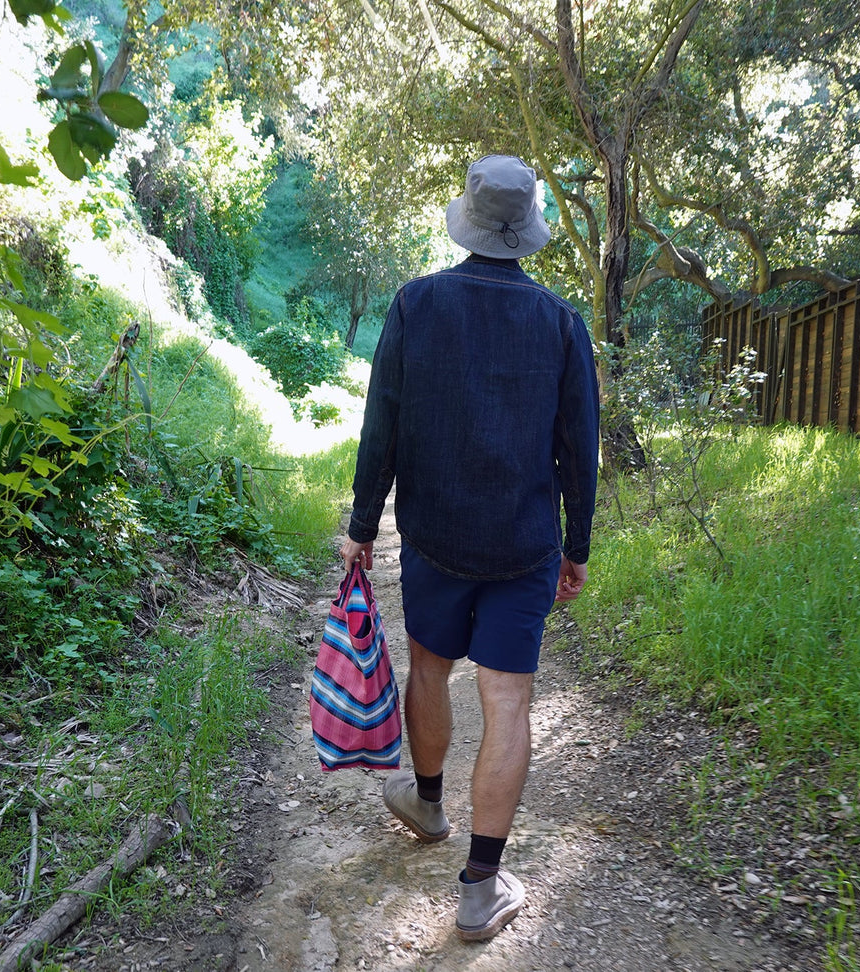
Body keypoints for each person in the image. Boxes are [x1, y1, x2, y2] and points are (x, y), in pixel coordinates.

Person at [338, 154, 600, 942]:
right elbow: (576, 447)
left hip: (434, 535)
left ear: (469, 220)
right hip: (522, 545)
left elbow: (380, 422)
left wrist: (361, 525)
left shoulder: (416, 304)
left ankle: (426, 802)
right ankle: (480, 887)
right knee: (507, 701)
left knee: (429, 668)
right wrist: (574, 546)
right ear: (525, 232)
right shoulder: (561, 322)